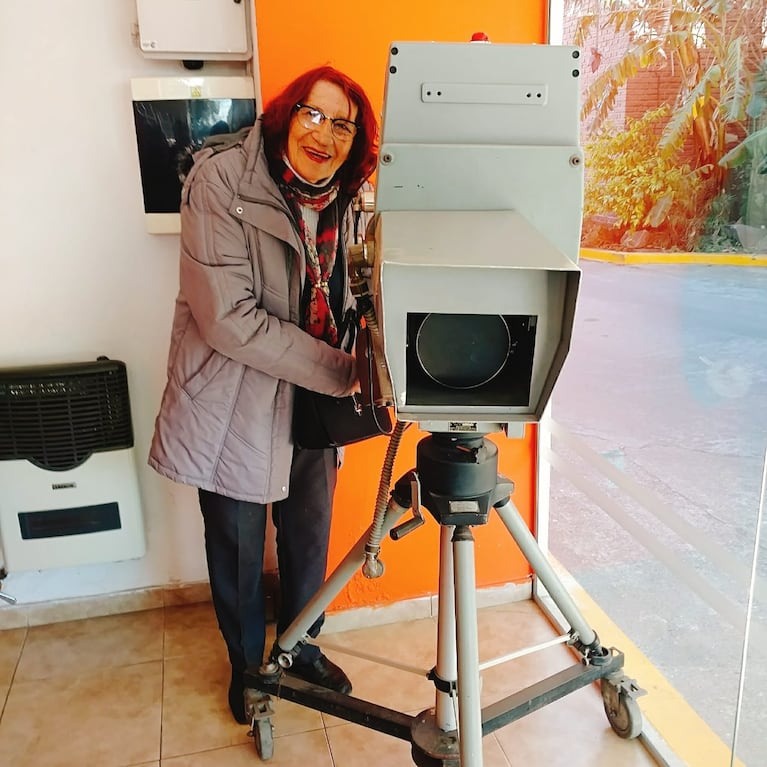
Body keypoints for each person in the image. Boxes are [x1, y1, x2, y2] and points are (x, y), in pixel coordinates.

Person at [148, 66, 378, 724]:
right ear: (285, 113)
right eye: (314, 114)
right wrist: (343, 370)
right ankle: (249, 666)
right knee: (240, 545)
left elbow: (351, 291)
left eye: (342, 124)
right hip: (233, 399)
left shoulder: (349, 197)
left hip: (312, 400)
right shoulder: (219, 180)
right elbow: (229, 319)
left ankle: (300, 647)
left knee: (309, 535)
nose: (324, 134)